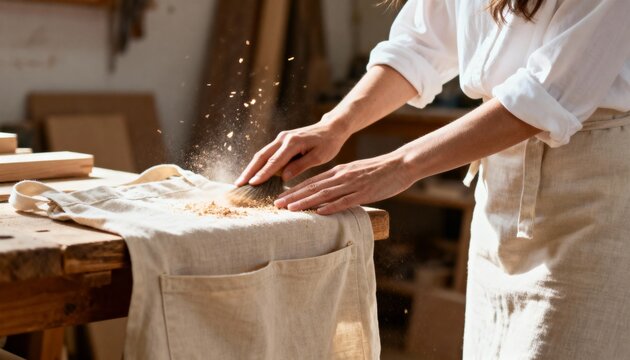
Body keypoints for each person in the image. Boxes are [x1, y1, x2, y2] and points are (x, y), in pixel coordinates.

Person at [236, 0, 630, 358]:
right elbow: (418, 47)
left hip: (593, 191)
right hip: (501, 190)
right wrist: (334, 125)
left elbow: (545, 94)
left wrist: (399, 164)